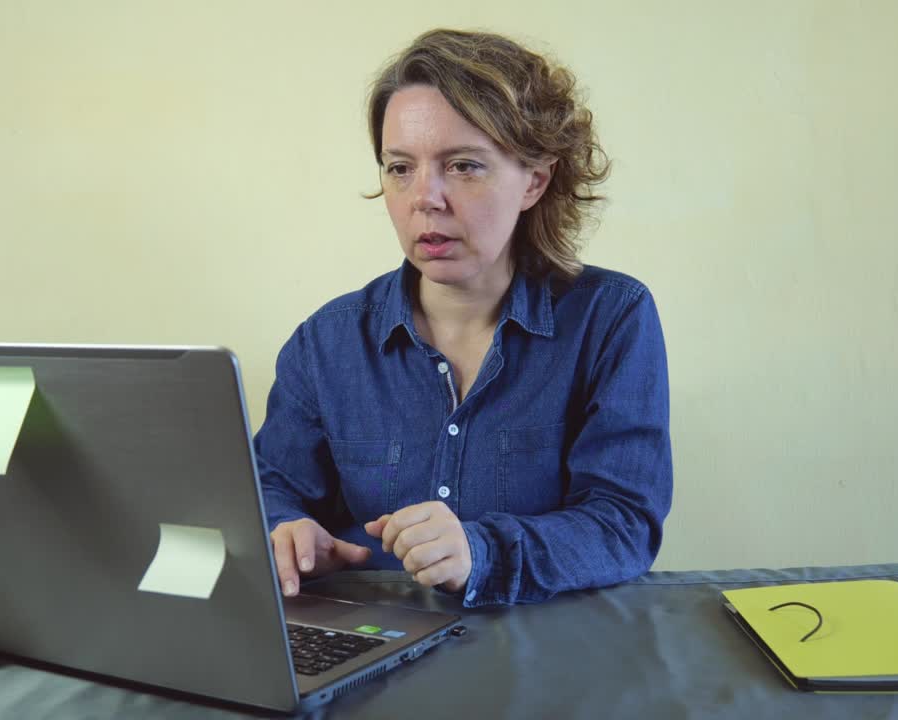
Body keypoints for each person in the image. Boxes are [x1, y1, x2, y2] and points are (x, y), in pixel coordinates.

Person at [254, 28, 671, 607]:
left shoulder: (612, 318)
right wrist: (287, 534)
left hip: (545, 657)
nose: (426, 197)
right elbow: (272, 490)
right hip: (370, 656)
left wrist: (482, 552)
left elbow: (625, 525)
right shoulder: (325, 343)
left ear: (535, 180)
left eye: (464, 166)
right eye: (400, 168)